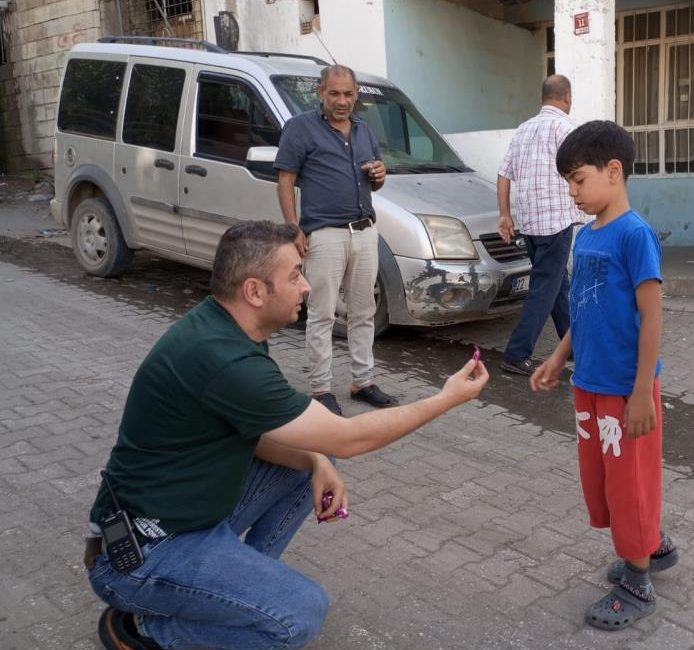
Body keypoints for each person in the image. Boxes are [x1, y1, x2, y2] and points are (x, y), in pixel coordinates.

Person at [84, 221, 489, 650]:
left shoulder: (229, 328)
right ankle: (144, 630)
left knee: (314, 456)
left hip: (187, 519)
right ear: (255, 292)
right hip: (138, 555)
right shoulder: (224, 360)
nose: (308, 287)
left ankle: (229, 594)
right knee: (298, 616)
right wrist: (446, 399)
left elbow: (257, 434)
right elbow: (349, 438)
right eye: (295, 275)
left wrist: (315, 462)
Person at [530, 121, 678, 631]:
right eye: (568, 183)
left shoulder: (634, 235)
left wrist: (642, 392)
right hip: (589, 383)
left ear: (613, 172)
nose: (572, 193)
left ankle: (638, 582)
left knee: (630, 481)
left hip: (625, 390)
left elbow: (653, 316)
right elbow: (584, 308)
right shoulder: (587, 234)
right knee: (606, 479)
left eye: (577, 180)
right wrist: (557, 357)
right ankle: (650, 546)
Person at [276, 64, 396, 415]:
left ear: (356, 94)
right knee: (322, 313)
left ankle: (363, 381)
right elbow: (285, 179)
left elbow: (375, 180)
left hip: (364, 231)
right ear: (320, 92)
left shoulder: (364, 131)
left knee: (363, 311)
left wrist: (380, 174)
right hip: (324, 234)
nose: (342, 101)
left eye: (348, 94)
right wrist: (293, 227)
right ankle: (321, 388)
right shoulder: (300, 129)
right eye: (335, 93)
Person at [496, 74, 585, 376]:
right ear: (567, 97)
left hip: (530, 223)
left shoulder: (523, 130)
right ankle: (516, 353)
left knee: (558, 283)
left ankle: (573, 346)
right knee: (544, 289)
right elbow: (582, 172)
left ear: (542, 97)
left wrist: (505, 215)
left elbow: (503, 174)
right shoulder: (566, 128)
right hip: (556, 222)